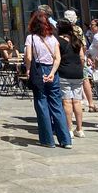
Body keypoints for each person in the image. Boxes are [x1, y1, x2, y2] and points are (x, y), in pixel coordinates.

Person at [24, 11, 72, 148]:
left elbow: (28, 57)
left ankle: (47, 140)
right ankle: (65, 140)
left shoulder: (31, 38)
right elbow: (58, 58)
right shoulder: (53, 39)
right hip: (52, 71)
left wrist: (28, 70)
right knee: (57, 105)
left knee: (41, 104)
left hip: (38, 70)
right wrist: (52, 73)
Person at [56, 19, 85, 138]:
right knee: (77, 101)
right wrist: (80, 68)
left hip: (64, 73)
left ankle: (69, 129)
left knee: (67, 102)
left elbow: (56, 58)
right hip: (77, 74)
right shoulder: (77, 41)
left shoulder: (58, 41)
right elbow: (82, 57)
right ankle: (80, 129)